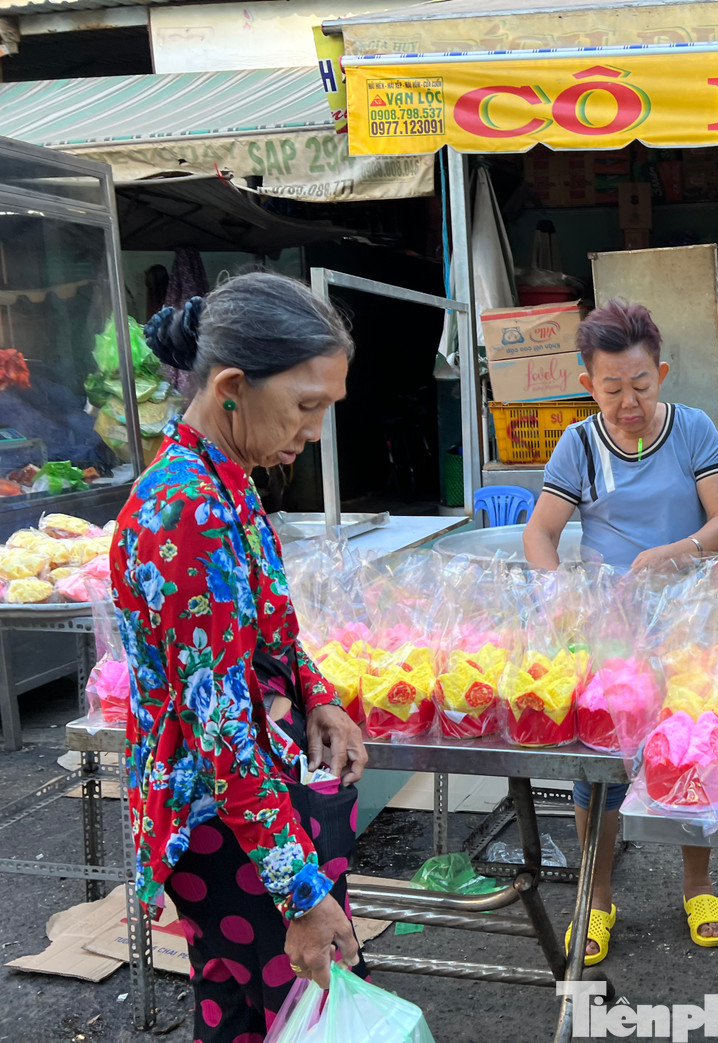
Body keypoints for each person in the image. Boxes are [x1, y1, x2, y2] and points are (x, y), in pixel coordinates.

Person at [111, 272, 369, 1042]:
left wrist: (314, 692)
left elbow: (271, 624)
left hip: (243, 814)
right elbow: (220, 729)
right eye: (305, 405)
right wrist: (301, 892)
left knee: (249, 1017)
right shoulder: (188, 510)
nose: (315, 431)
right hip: (229, 827)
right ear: (230, 386)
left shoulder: (229, 483)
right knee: (301, 1011)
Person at [522, 299, 718, 966]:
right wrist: (555, 587)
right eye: (612, 387)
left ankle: (698, 884)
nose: (628, 401)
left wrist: (677, 551)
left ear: (663, 373)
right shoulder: (579, 443)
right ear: (588, 383)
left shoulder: (694, 429)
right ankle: (597, 898)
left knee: (690, 755)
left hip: (689, 624)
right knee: (601, 771)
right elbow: (541, 531)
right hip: (611, 633)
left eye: (641, 384)